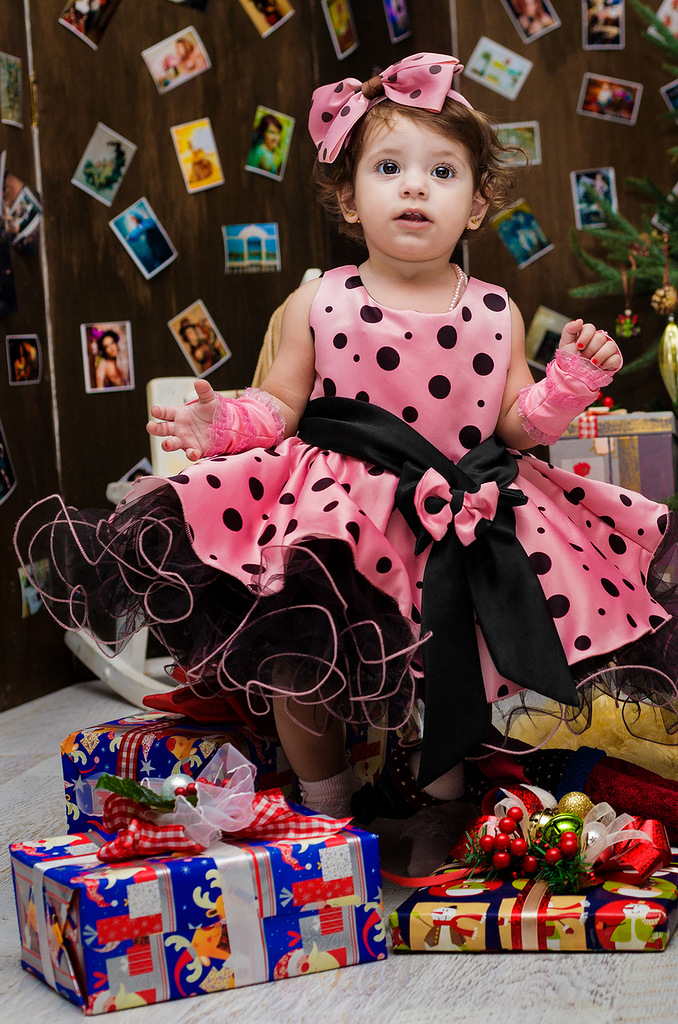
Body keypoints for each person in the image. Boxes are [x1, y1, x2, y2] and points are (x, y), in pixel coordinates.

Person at [14, 54, 678, 825]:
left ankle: (438, 802)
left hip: (458, 511)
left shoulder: (497, 309)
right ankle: (323, 806)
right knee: (303, 655)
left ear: (476, 205)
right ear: (348, 197)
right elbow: (279, 405)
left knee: (450, 660)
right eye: (389, 167)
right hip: (340, 512)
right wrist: (221, 423)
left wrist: (565, 385)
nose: (415, 187)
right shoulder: (321, 299)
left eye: (442, 172)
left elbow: (517, 425)